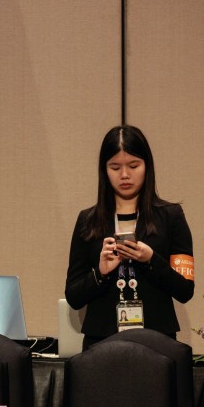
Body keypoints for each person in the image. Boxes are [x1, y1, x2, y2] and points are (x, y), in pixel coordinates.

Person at [65, 125, 194, 349]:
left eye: (133, 165)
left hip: (157, 343)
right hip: (101, 343)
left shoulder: (171, 216)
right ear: (104, 170)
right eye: (115, 167)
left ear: (147, 166)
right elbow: (73, 296)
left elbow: (185, 290)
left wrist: (151, 260)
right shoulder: (88, 220)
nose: (125, 175)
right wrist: (100, 273)